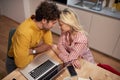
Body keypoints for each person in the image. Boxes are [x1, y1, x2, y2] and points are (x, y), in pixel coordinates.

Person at [6, 1, 60, 73]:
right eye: (53, 23)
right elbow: (21, 63)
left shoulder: (43, 26)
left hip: (29, 55)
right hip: (15, 63)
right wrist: (38, 50)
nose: (54, 26)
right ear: (44, 20)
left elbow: (48, 44)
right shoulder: (24, 32)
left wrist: (32, 51)